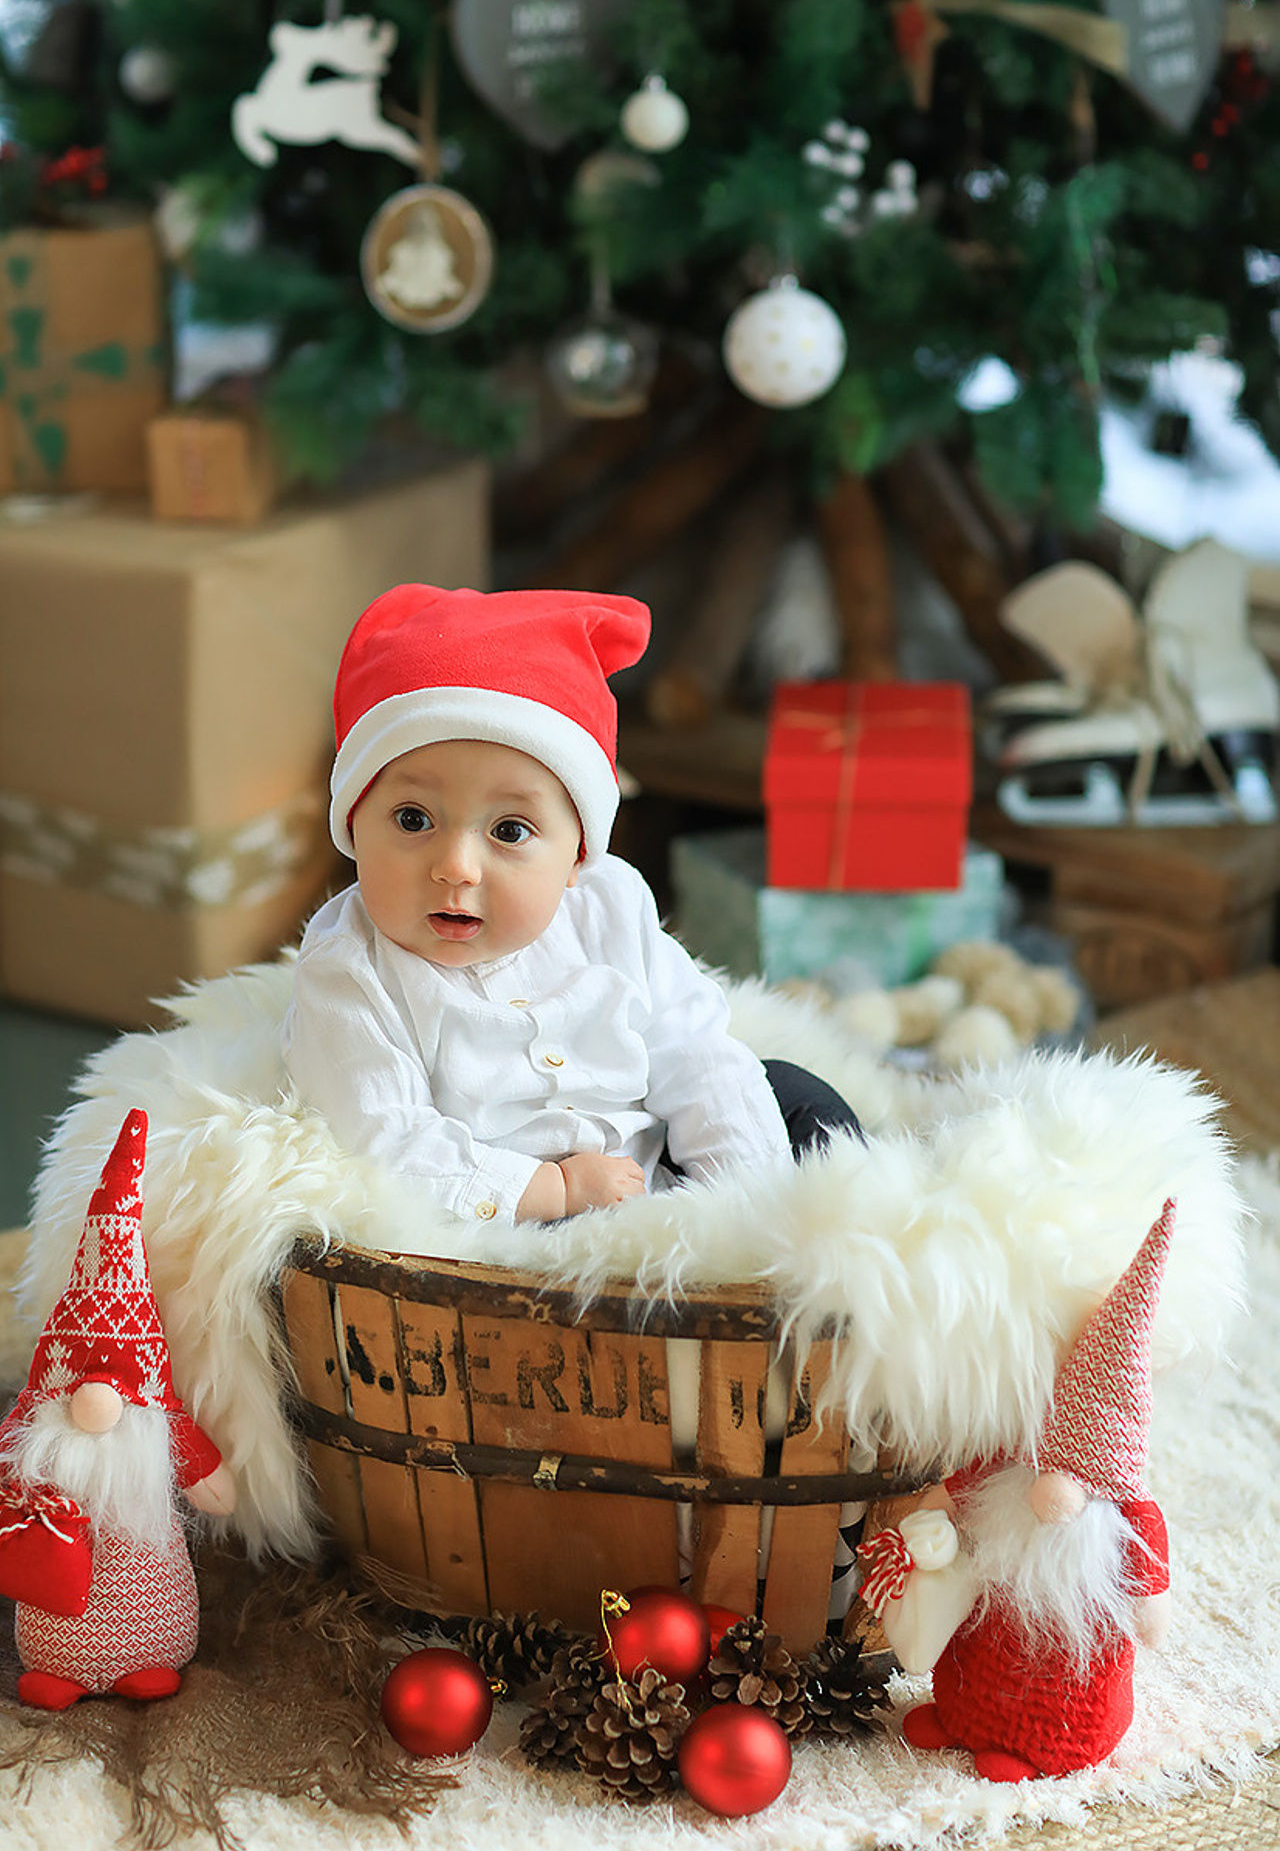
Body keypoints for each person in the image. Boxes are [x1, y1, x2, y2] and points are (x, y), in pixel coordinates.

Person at [283, 582, 862, 1227]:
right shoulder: (350, 971)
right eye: (413, 819)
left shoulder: (609, 907)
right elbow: (385, 1140)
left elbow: (694, 1052)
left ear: (577, 856)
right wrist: (550, 1189)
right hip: (517, 1210)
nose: (456, 866)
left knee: (791, 1095)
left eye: (509, 831)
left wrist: (746, 1203)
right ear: (354, 824)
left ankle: (821, 1234)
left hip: (656, 1160)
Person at [858, 1201, 1175, 1782]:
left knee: (1058, 1676)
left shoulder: (1128, 1513)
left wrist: (1151, 1607)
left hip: (1066, 1670)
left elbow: (1150, 1590)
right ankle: (959, 1716)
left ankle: (1032, 1747)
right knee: (978, 1641)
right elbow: (967, 1482)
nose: (1053, 1494)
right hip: (992, 1621)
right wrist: (939, 1505)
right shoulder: (1009, 1464)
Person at [0, 1110, 238, 1710]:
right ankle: (60, 1670)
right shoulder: (32, 1428)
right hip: (52, 1621)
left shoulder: (162, 1427)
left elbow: (215, 1490)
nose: (96, 1401)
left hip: (153, 1618)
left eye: (115, 1384)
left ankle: (146, 1661)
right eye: (82, 1382)